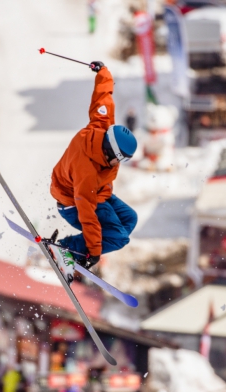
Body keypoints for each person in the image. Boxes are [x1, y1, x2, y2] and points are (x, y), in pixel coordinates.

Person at [48, 61, 138, 283]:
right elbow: (87, 213)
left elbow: (103, 98)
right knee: (118, 238)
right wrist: (94, 251)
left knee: (130, 219)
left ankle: (78, 249)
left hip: (98, 194)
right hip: (74, 202)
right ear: (111, 150)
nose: (120, 163)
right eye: (120, 158)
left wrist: (103, 73)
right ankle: (66, 249)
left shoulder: (102, 127)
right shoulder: (86, 169)